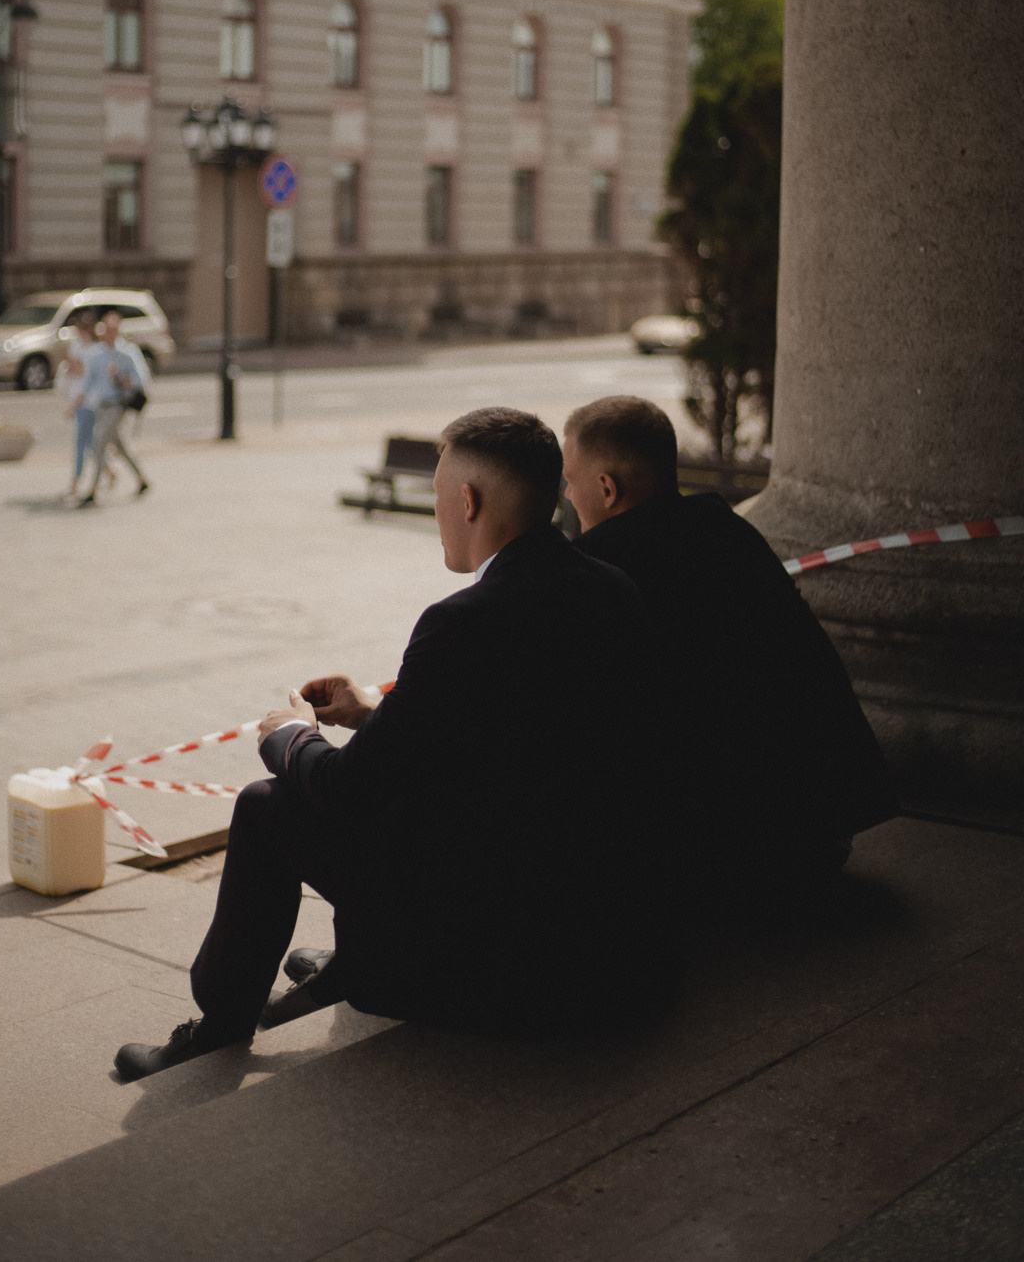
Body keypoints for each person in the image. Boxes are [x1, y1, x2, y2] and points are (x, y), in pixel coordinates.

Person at [114, 408, 678, 1081]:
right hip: (609, 941)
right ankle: (345, 965)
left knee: (268, 806)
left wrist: (288, 736)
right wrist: (376, 714)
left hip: (506, 967)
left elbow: (348, 791)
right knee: (413, 809)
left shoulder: (461, 622)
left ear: (467, 502)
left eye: (438, 494)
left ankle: (221, 1024)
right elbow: (512, 743)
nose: (437, 511)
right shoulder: (611, 588)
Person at [561, 396, 897, 916]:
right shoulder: (731, 532)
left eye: (569, 479)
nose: (567, 493)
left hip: (720, 857)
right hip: (822, 830)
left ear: (607, 488)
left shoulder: (602, 569)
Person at [76, 309, 151, 506]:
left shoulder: (127, 353)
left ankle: (92, 489)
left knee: (99, 441)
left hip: (118, 405)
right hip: (102, 405)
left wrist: (122, 378)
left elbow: (141, 379)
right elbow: (89, 380)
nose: (108, 333)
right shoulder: (97, 354)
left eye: (112, 329)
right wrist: (78, 401)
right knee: (118, 444)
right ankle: (141, 478)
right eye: (106, 329)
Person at [56, 308, 114, 500]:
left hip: (89, 402)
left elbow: (88, 379)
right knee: (91, 444)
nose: (79, 334)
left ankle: (75, 483)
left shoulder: (96, 352)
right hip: (78, 399)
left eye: (81, 330)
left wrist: (72, 406)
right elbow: (72, 367)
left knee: (82, 444)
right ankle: (109, 471)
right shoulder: (77, 346)